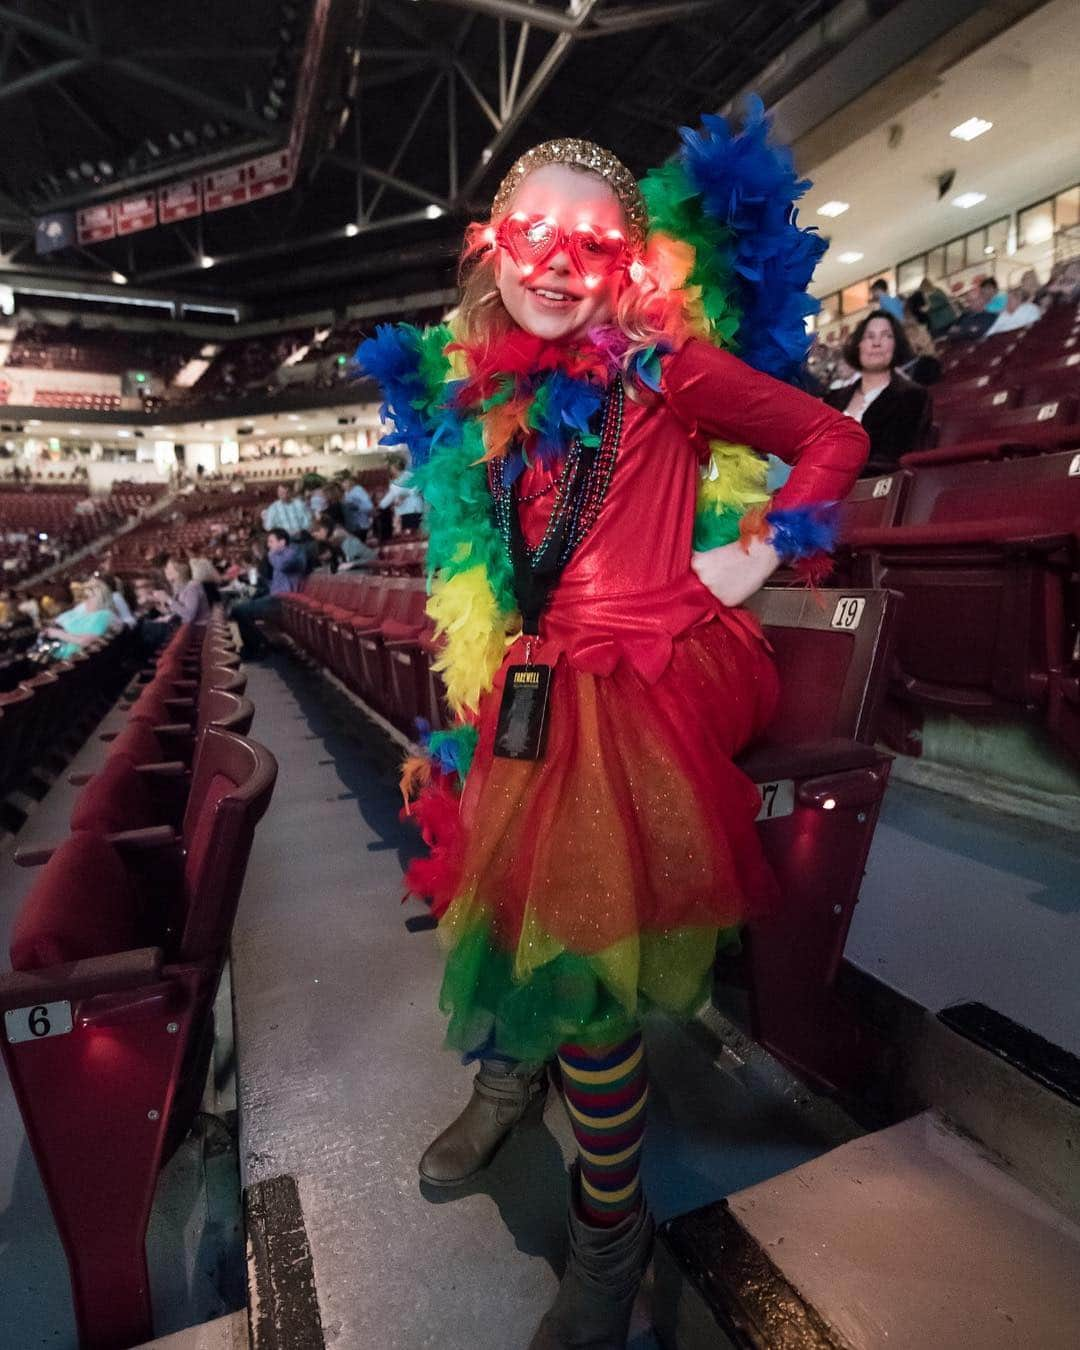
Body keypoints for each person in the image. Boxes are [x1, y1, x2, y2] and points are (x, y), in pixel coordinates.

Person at [358, 106, 867, 1348]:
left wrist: (746, 562)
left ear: (628, 267)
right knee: (486, 844)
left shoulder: (660, 368)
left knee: (579, 956)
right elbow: (500, 566)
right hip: (547, 674)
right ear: (492, 248)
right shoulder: (494, 400)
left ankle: (611, 1234)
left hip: (657, 670)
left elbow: (831, 436)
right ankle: (509, 1074)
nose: (553, 265)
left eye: (588, 247)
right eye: (531, 235)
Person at [824, 312, 931, 476]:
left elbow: (894, 461)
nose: (876, 343)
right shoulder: (833, 398)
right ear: (858, 345)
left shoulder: (913, 397)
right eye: (869, 336)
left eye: (886, 336)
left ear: (896, 345)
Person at [231, 527, 305, 658]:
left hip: (284, 600)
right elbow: (274, 581)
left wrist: (270, 555)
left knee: (239, 610)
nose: (268, 545)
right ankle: (261, 645)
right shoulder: (279, 556)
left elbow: (283, 566)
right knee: (238, 608)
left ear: (282, 542)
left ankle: (258, 648)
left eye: (271, 541)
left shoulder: (292, 552)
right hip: (275, 596)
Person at [42, 578, 115, 658]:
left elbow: (86, 641)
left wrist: (58, 634)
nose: (84, 601)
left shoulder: (103, 615)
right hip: (55, 652)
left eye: (88, 597)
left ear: (99, 597)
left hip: (72, 658)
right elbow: (62, 619)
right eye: (84, 597)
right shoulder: (82, 609)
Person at [155, 558, 211, 625]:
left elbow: (189, 616)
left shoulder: (192, 587)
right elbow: (180, 611)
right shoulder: (181, 587)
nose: (165, 571)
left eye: (168, 568)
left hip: (200, 629)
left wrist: (168, 599)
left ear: (178, 572)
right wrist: (163, 609)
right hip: (191, 628)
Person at [378, 456, 424, 533]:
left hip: (413, 510)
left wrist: (405, 495)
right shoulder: (394, 481)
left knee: (413, 535)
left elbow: (417, 489)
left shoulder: (409, 476)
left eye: (390, 467)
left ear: (395, 467)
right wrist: (381, 505)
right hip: (402, 512)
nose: (389, 470)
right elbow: (391, 495)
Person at [341, 474, 375, 538]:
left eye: (345, 482)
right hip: (352, 522)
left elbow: (368, 505)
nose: (343, 485)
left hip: (361, 521)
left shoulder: (358, 490)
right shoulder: (346, 492)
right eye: (343, 483)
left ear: (351, 482)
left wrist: (355, 506)